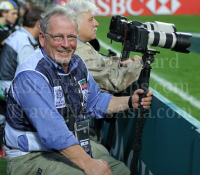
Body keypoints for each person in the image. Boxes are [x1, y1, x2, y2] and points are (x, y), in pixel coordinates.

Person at [4, 6, 153, 175]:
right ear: (42, 38)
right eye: (58, 37)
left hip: (67, 144)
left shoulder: (76, 63)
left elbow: (95, 101)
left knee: (120, 171)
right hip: (31, 156)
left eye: (71, 37)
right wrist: (89, 164)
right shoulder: (32, 75)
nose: (66, 44)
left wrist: (129, 101)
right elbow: (53, 132)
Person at [64, 0, 143, 93]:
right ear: (74, 25)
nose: (96, 23)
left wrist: (124, 63)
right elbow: (115, 82)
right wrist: (138, 63)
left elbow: (102, 63)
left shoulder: (79, 43)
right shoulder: (78, 52)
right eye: (90, 19)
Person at [0, 5, 46, 99]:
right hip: (10, 96)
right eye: (46, 24)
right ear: (39, 24)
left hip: (5, 89)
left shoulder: (18, 35)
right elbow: (28, 80)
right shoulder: (25, 45)